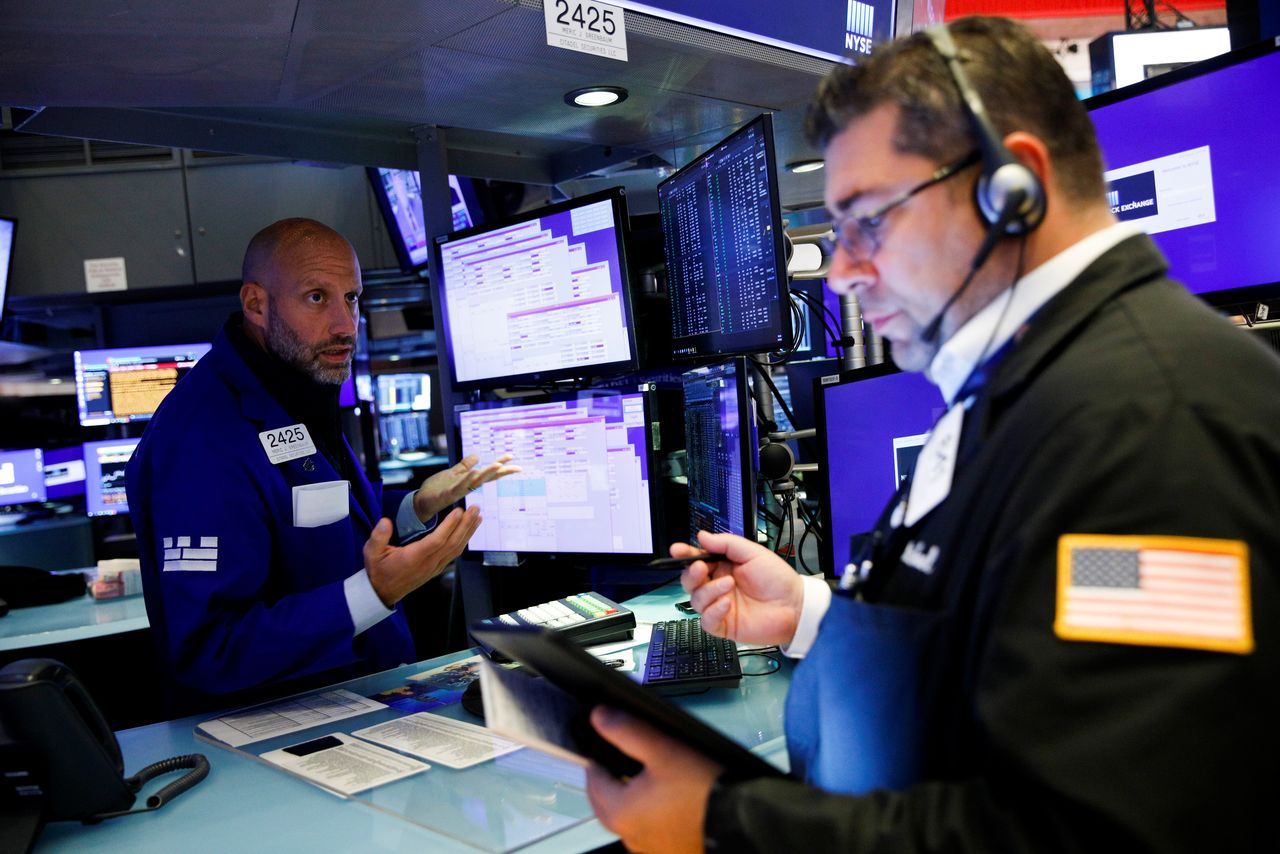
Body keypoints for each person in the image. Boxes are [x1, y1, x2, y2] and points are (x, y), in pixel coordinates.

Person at [584, 17, 1279, 853]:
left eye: (868, 220)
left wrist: (726, 821)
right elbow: (1013, 616)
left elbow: (1093, 830)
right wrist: (809, 612)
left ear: (1012, 187)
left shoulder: (1157, 429)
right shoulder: (1034, 382)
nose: (840, 270)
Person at [127, 217, 518, 707]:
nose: (344, 325)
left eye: (350, 298)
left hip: (352, 701)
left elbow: (321, 516)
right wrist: (371, 593)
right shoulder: (202, 439)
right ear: (256, 304)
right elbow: (210, 648)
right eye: (316, 297)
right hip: (270, 735)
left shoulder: (288, 387)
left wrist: (413, 507)